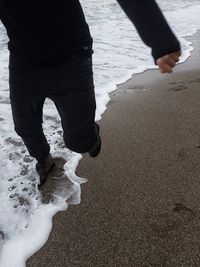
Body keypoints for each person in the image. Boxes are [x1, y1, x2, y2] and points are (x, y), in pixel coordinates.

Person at [0, 0, 181, 185]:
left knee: (80, 143)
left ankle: (89, 135)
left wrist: (161, 40)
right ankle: (44, 160)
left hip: (71, 56)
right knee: (24, 126)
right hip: (23, 62)